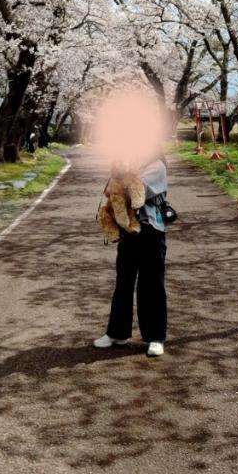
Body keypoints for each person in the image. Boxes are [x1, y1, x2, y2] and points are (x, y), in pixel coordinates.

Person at [94, 153, 168, 357]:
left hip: (151, 231)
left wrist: (119, 177)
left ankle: (155, 337)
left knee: (151, 284)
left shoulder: (156, 166)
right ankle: (117, 333)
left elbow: (135, 192)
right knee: (123, 283)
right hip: (127, 232)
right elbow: (111, 190)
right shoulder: (128, 162)